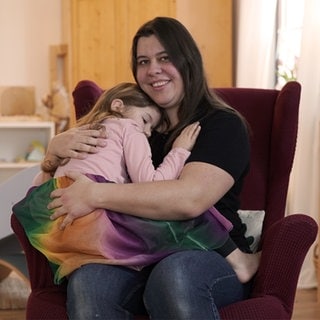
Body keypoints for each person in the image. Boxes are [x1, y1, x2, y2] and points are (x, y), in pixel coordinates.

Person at [43, 17, 260, 320]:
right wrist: (52, 155)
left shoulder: (220, 125)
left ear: (188, 61)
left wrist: (94, 193)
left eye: (164, 58)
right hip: (134, 249)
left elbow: (189, 200)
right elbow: (52, 188)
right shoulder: (131, 125)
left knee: (174, 275)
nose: (153, 69)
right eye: (143, 61)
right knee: (89, 282)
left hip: (204, 256)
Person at [14, 82, 248, 286]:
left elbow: (40, 186)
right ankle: (239, 262)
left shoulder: (80, 132)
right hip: (91, 216)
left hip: (55, 222)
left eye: (150, 128)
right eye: (146, 120)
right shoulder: (129, 128)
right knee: (187, 212)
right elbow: (152, 183)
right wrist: (179, 151)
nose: (147, 132)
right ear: (118, 106)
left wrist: (50, 157)